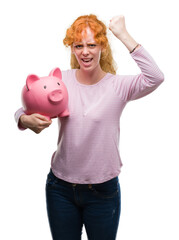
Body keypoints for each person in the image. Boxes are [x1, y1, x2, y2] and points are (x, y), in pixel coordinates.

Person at [15, 14, 164, 240]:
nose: (85, 51)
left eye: (92, 45)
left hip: (103, 192)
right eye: (79, 45)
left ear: (102, 46)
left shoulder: (118, 86)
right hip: (60, 189)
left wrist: (123, 34)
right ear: (72, 49)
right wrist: (24, 120)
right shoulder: (61, 82)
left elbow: (155, 77)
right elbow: (24, 107)